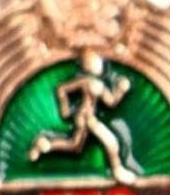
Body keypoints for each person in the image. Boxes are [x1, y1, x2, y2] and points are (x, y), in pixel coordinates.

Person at [29, 50, 142, 184]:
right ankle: (117, 170)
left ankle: (45, 145)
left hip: (89, 118)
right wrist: (65, 108)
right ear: (88, 66)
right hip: (85, 118)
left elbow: (111, 102)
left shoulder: (98, 84)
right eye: (96, 63)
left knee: (74, 146)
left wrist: (120, 91)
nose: (100, 66)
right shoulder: (85, 82)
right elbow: (61, 89)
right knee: (110, 141)